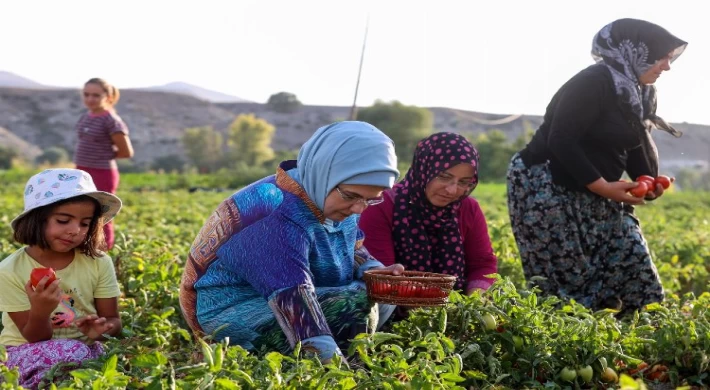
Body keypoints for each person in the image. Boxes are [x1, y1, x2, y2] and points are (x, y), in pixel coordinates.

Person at [179, 121, 402, 362]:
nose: (359, 208)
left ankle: (339, 350)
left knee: (379, 293)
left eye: (371, 200)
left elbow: (353, 248)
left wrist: (375, 271)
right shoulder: (270, 209)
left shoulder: (334, 196)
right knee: (356, 303)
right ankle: (327, 362)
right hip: (233, 312)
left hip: (302, 294)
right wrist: (340, 377)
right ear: (323, 172)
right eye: (352, 196)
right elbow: (295, 306)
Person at [506, 18, 687, 315]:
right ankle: (572, 351)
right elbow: (561, 139)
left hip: (598, 187)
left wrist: (649, 182)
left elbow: (634, 142)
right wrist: (601, 186)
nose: (667, 66)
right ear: (635, 52)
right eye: (662, 57)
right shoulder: (594, 82)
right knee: (570, 285)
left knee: (638, 276)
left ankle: (644, 350)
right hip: (547, 185)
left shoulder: (641, 90)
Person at [0, 168, 123, 388]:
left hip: (83, 351)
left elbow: (113, 320)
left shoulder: (98, 262)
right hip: (22, 353)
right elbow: (34, 338)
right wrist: (40, 310)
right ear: (37, 219)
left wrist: (102, 331)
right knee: (74, 352)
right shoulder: (9, 270)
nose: (75, 230)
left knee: (100, 357)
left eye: (85, 224)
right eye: (63, 220)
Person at [359, 132, 498, 294]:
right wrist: (432, 312)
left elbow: (482, 264)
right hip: (394, 306)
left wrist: (473, 300)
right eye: (443, 177)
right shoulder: (383, 205)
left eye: (463, 182)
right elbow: (382, 275)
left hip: (453, 305)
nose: (452, 190)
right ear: (423, 169)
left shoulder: (468, 208)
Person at [73, 78, 134, 250]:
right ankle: (85, 247)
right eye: (86, 94)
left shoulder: (111, 120)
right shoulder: (86, 116)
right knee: (82, 211)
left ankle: (102, 253)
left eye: (96, 95)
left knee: (101, 214)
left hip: (102, 172)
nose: (90, 99)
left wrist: (100, 155)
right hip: (82, 172)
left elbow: (126, 151)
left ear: (107, 96)